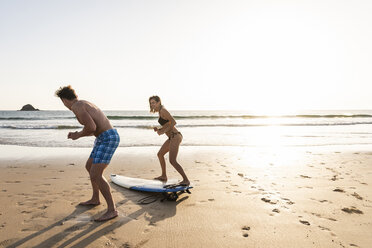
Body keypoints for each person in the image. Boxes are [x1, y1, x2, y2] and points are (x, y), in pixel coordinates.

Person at [55, 85, 120, 222]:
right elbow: (93, 129)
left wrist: (77, 135)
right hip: (102, 137)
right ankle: (95, 198)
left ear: (64, 100)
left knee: (96, 174)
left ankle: (112, 210)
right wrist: (77, 134)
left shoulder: (77, 106)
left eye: (62, 101)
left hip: (108, 137)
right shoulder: (82, 103)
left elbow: (91, 127)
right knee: (89, 166)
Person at [149, 96, 190, 186]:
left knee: (172, 160)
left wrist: (162, 131)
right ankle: (164, 176)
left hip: (175, 136)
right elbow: (168, 124)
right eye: (151, 103)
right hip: (171, 137)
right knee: (160, 154)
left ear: (159, 102)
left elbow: (173, 122)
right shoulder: (160, 112)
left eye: (154, 102)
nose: (152, 105)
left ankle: (186, 180)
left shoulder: (163, 110)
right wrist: (160, 129)